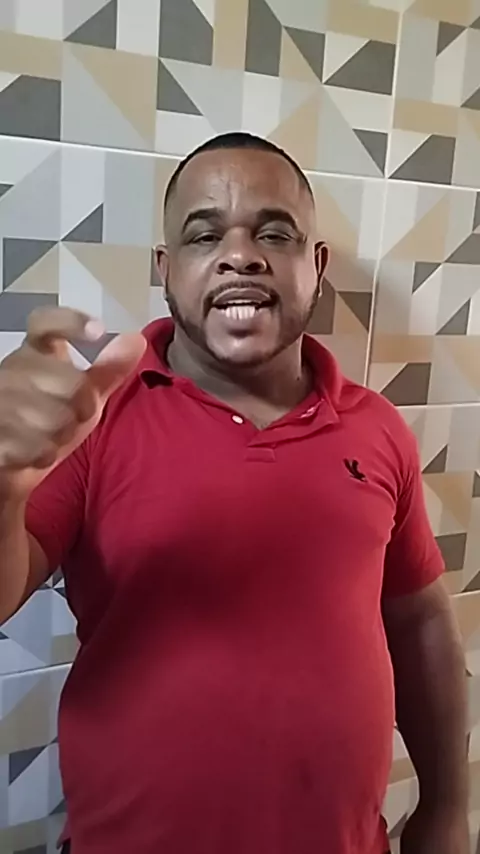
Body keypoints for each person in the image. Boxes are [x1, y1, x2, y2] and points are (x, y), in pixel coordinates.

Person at [0, 132, 468, 854]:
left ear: (316, 266)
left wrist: (445, 807)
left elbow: (420, 621)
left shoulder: (377, 427)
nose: (240, 254)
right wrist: (3, 486)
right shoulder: (91, 418)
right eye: (204, 234)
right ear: (167, 269)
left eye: (274, 233)